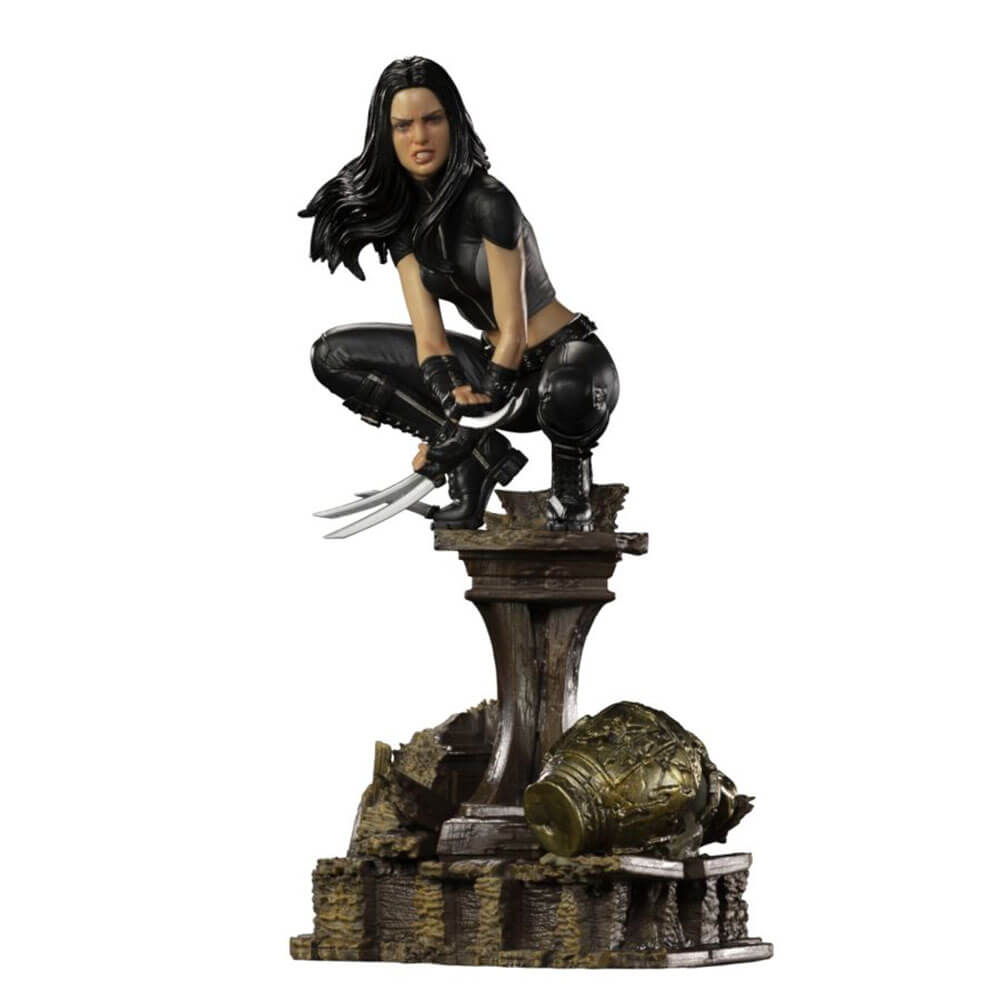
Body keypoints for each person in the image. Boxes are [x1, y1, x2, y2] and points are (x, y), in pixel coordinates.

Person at [301, 56, 619, 533]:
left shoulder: (490, 201)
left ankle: (570, 495)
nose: (419, 137)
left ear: (453, 122)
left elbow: (514, 331)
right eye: (403, 125)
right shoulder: (403, 223)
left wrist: (471, 417)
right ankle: (478, 461)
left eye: (432, 120)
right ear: (386, 135)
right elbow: (431, 341)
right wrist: (453, 411)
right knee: (333, 355)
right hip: (492, 369)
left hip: (562, 364)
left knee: (570, 389)